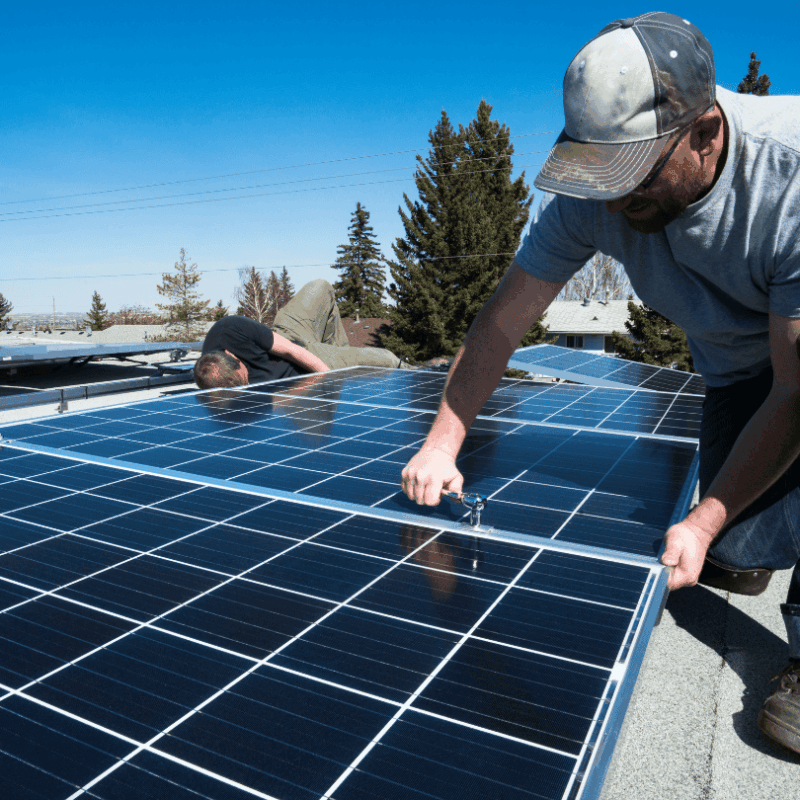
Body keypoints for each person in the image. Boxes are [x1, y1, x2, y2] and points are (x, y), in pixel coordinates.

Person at [400, 11, 800, 754]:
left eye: (634, 179)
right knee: (743, 545)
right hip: (737, 360)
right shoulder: (594, 196)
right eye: (601, 177)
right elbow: (502, 321)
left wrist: (704, 518)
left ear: (705, 133)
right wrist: (442, 442)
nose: (612, 203)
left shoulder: (791, 173)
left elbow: (797, 392)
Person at [194, 279, 405, 388]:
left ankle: (339, 353)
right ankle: (422, 369)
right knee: (386, 359)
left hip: (293, 341)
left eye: (244, 376)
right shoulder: (222, 392)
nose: (248, 382)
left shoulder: (229, 328)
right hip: (303, 374)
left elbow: (291, 350)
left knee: (320, 287)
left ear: (231, 355)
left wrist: (332, 380)